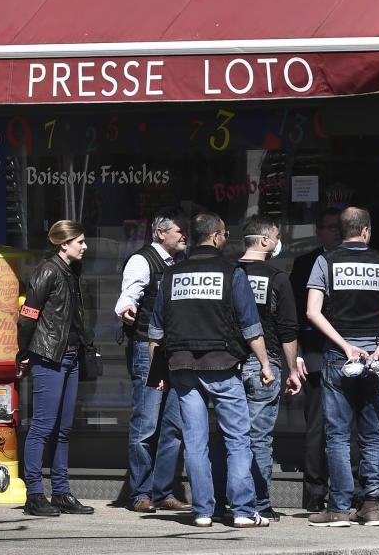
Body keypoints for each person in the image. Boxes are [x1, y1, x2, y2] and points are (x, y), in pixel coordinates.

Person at [148, 212, 274, 528]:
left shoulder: (171, 275)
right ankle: (244, 511)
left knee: (195, 441)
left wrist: (157, 373)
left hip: (183, 368)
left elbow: (156, 332)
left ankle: (203, 511)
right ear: (217, 236)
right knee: (238, 439)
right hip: (223, 365)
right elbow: (250, 327)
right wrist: (265, 363)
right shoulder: (232, 272)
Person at [305, 207, 379, 528]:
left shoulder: (325, 261)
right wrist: (378, 352)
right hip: (374, 359)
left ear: (342, 230)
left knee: (337, 435)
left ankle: (337, 508)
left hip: (340, 357)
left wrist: (344, 345)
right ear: (366, 231)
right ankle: (372, 506)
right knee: (372, 433)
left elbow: (312, 312)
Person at [212, 214, 301, 522]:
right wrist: (291, 369)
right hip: (265, 364)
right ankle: (258, 504)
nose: (278, 243)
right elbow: (287, 329)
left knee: (229, 436)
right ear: (264, 241)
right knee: (258, 438)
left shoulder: (226, 273)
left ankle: (221, 500)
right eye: (276, 237)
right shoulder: (276, 278)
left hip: (227, 363)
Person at [16, 220, 96, 517]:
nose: (85, 247)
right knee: (42, 427)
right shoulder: (47, 272)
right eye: (80, 242)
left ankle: (61, 492)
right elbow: (27, 317)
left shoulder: (72, 271)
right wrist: (23, 353)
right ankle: (35, 495)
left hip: (71, 356)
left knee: (63, 429)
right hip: (50, 357)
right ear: (64, 244)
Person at [115, 209, 190, 513]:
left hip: (176, 350)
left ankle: (163, 492)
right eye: (179, 230)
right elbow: (128, 295)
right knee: (146, 423)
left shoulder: (181, 263)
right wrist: (127, 307)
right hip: (149, 348)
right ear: (161, 232)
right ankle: (141, 493)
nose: (184, 235)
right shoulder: (142, 260)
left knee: (172, 425)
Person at [289, 206, 343, 511]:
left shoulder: (362, 260)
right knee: (317, 428)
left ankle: (352, 492)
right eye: (330, 227)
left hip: (353, 356)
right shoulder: (306, 263)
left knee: (352, 429)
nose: (336, 233)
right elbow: (295, 315)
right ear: (319, 231)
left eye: (340, 227)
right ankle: (314, 494)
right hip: (315, 353)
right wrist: (295, 355)